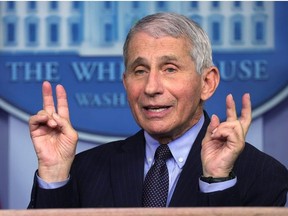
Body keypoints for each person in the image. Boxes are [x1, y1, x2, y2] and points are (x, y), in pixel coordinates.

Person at [28, 12, 288, 208]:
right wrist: (54, 174)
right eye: (139, 71)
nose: (151, 87)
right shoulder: (82, 170)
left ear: (207, 83)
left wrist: (217, 183)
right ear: (125, 83)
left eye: (170, 69)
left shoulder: (264, 175)